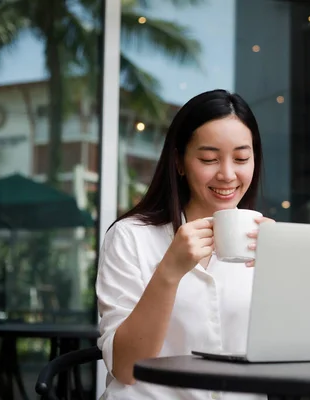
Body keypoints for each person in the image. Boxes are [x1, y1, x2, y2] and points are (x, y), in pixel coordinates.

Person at [96, 89, 273, 400]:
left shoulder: (267, 241)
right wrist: (169, 271)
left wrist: (286, 273)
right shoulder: (130, 237)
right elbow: (126, 368)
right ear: (179, 161)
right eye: (209, 159)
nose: (228, 174)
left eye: (242, 158)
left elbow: (290, 356)